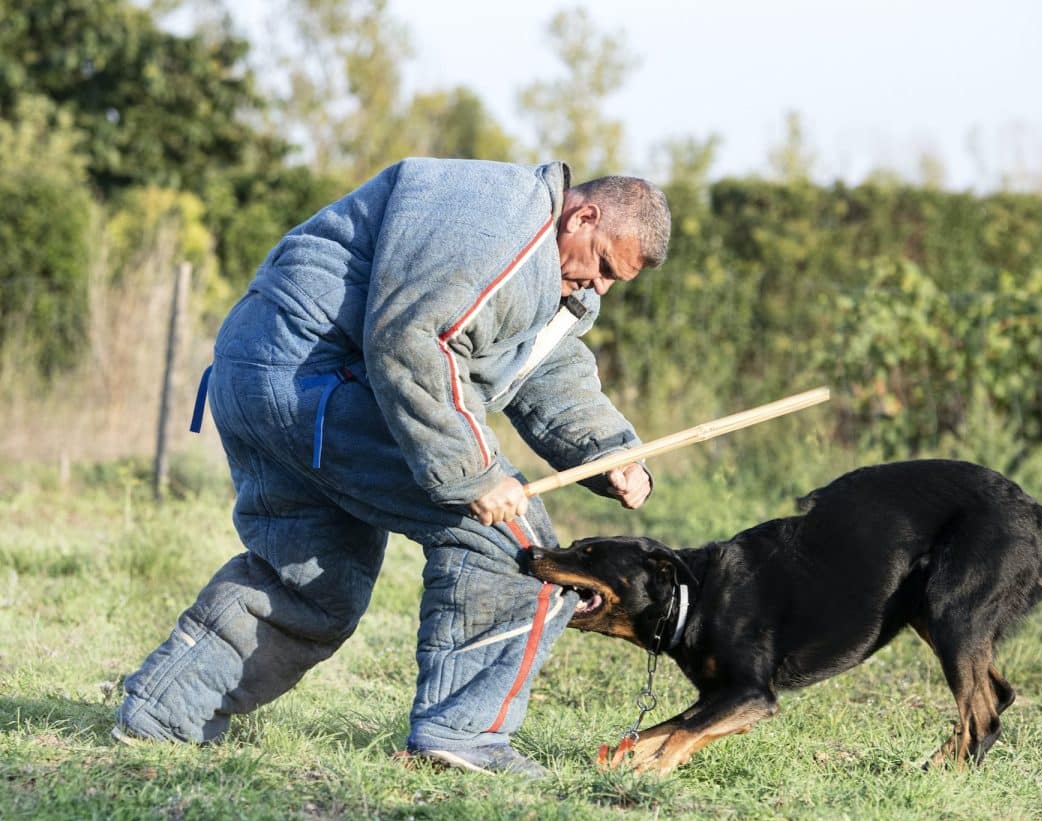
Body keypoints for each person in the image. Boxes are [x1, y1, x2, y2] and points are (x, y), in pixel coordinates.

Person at [113, 158, 670, 778]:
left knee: (311, 583)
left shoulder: (543, 264)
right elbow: (415, 339)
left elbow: (541, 364)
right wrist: (474, 473)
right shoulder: (500, 222)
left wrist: (611, 452)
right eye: (602, 263)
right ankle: (461, 736)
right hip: (314, 377)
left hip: (275, 374)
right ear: (583, 215)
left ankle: (164, 714)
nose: (599, 287)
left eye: (615, 280)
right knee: (521, 552)